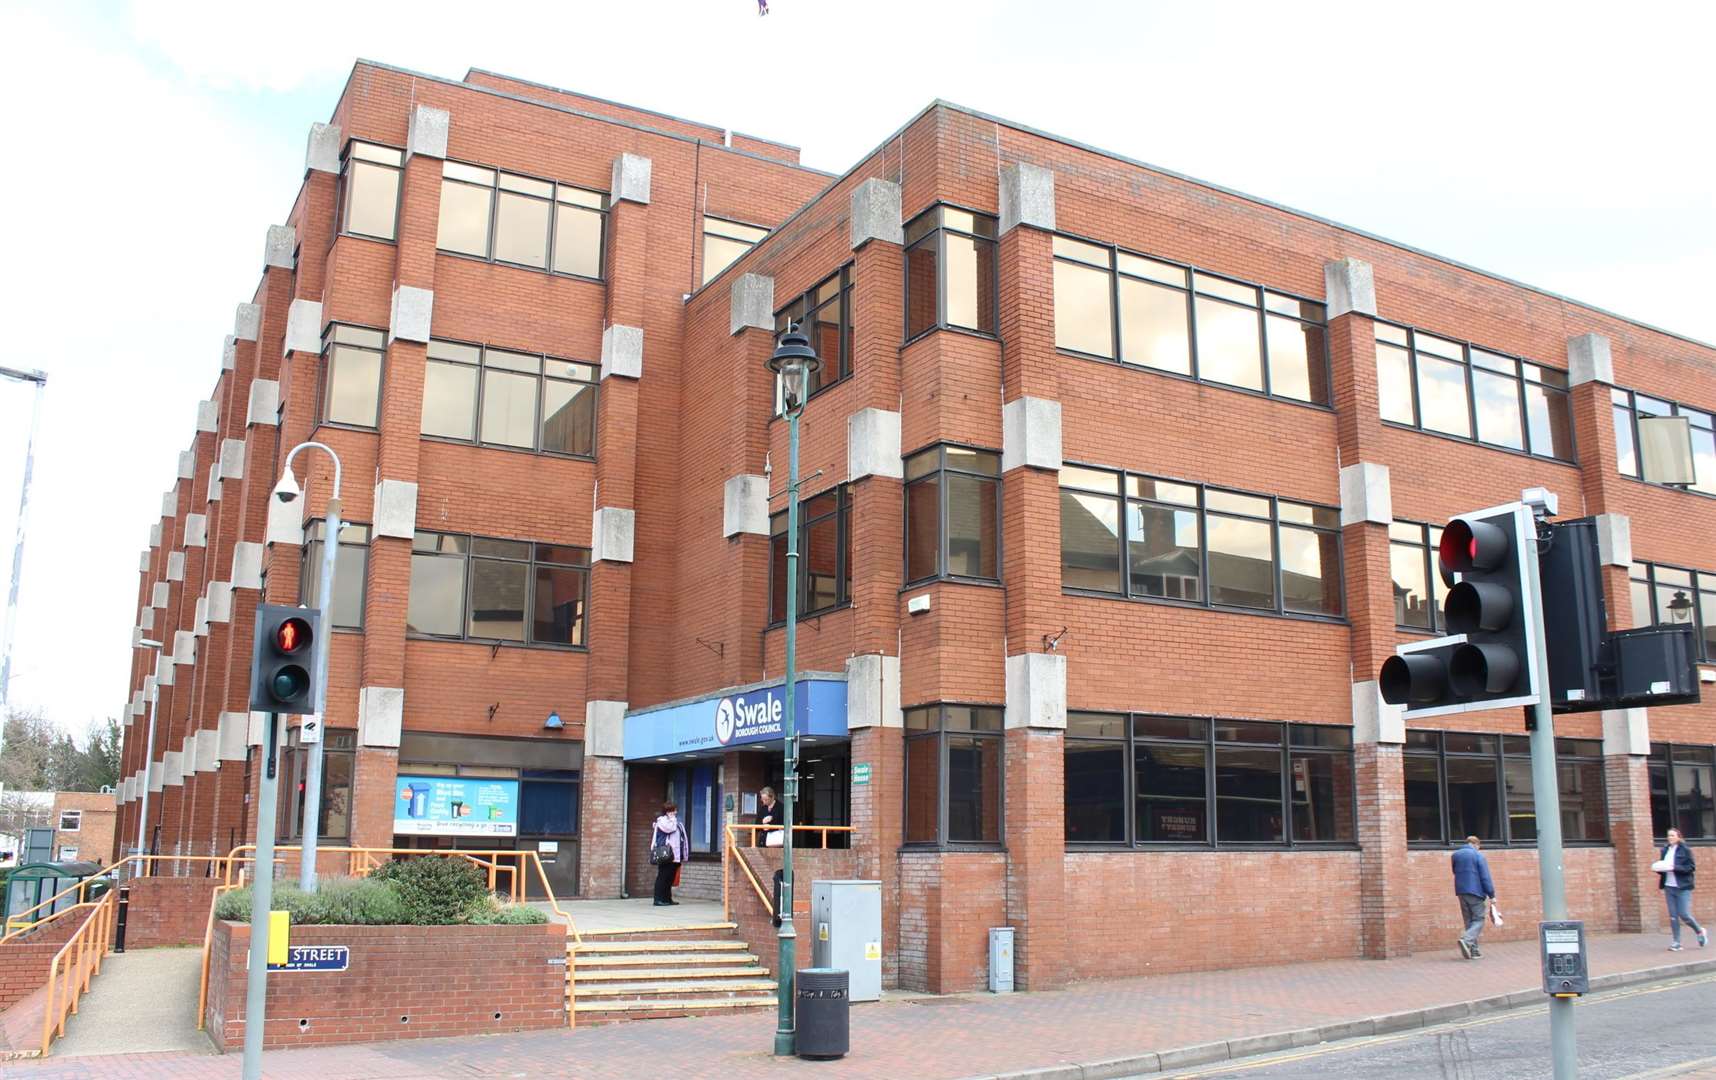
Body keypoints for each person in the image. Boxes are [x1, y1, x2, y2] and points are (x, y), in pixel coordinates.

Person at [1654, 827, 1708, 951]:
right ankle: (1676, 942)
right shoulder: (1665, 850)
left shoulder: (1685, 850)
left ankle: (1699, 931)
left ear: (1678, 837)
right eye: (1668, 835)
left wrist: (1674, 867)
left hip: (1682, 886)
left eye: (1672, 835)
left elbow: (1690, 868)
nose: (1670, 838)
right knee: (1673, 916)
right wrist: (1659, 869)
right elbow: (1664, 867)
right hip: (1669, 886)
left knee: (1684, 914)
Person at [1451, 835, 1495, 959]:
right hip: (1475, 892)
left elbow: (1454, 872)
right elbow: (1485, 877)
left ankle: (1474, 950)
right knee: (1479, 919)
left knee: (1469, 921)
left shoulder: (1456, 855)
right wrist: (1491, 894)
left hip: (1461, 891)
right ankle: (1466, 940)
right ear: (1476, 844)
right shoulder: (1478, 856)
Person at [652, 800, 689, 907]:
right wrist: (672, 819)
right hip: (666, 854)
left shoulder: (676, 822)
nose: (674, 812)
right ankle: (658, 899)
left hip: (675, 855)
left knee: (670, 878)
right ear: (666, 811)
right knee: (663, 877)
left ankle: (667, 899)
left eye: (674, 810)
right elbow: (670, 829)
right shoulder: (662, 821)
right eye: (671, 810)